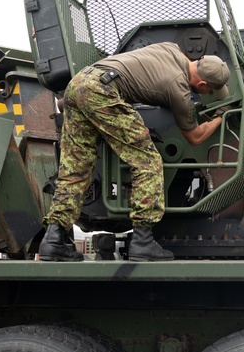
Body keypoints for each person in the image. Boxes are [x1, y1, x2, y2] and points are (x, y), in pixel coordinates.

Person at [38, 42, 231, 262]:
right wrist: (219, 118)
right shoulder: (178, 88)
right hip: (102, 91)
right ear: (202, 84)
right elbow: (195, 136)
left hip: (79, 84)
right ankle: (142, 241)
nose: (209, 94)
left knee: (76, 169)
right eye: (210, 90)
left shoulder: (171, 48)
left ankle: (52, 241)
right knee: (148, 162)